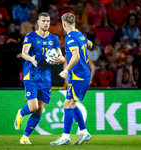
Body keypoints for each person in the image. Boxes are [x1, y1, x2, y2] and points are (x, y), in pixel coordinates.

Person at [14, 12, 65, 144]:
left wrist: (60, 59)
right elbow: (24, 53)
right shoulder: (30, 36)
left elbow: (61, 57)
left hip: (46, 77)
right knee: (33, 107)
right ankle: (21, 113)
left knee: (41, 108)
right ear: (38, 22)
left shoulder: (54, 39)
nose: (46, 23)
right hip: (31, 75)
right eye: (43, 21)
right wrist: (31, 58)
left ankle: (25, 137)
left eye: (48, 21)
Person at [50, 13, 92, 146]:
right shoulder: (80, 34)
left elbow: (76, 56)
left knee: (67, 105)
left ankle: (65, 137)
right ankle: (84, 133)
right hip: (83, 75)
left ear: (63, 25)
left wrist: (65, 70)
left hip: (78, 76)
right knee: (72, 105)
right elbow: (90, 44)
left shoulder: (69, 38)